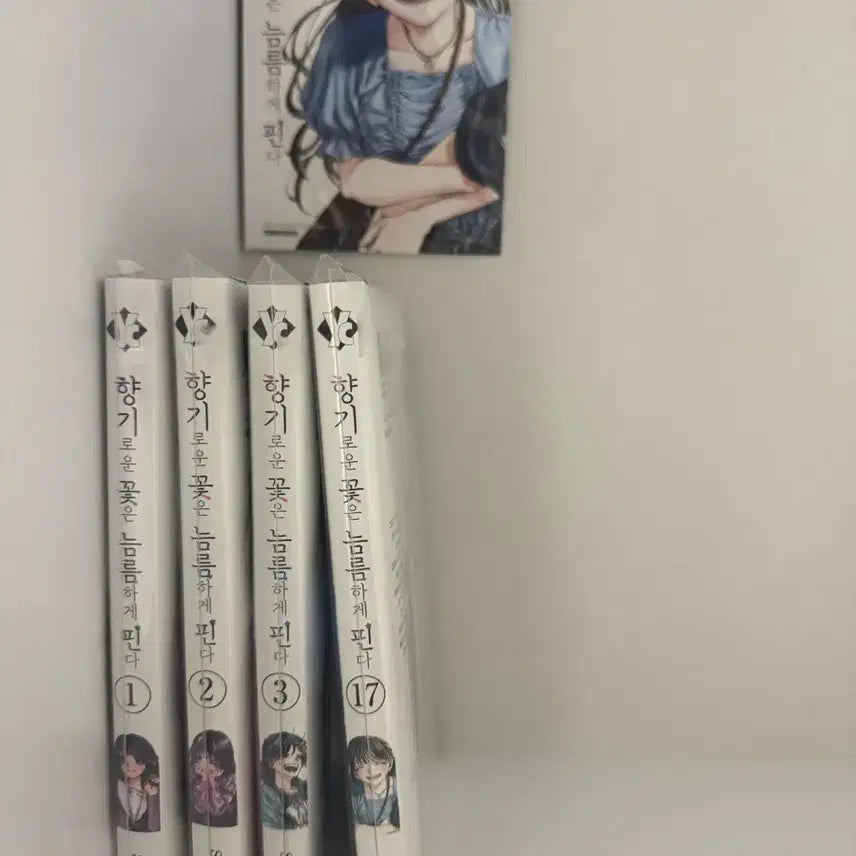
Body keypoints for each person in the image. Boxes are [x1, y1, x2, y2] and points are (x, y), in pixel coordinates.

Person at [285, 0, 511, 254]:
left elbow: (522, 173)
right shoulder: (350, 43)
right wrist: (474, 179)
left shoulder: (508, 42)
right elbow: (354, 180)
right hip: (373, 231)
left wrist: (424, 217)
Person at [347, 735, 399, 830]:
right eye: (362, 765)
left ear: (390, 763)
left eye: (377, 762)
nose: (371, 771)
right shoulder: (353, 793)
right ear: (355, 772)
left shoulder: (398, 787)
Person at [259, 732, 309, 830]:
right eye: (288, 755)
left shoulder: (307, 789)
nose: (295, 761)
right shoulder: (264, 795)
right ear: (271, 761)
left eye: (299, 757)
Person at [188, 730, 238, 828]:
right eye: (199, 758)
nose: (203, 764)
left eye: (211, 760)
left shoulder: (231, 787)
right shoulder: (192, 782)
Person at [113, 733, 161, 833]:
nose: (130, 767)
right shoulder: (118, 786)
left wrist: (153, 795)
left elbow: (155, 825)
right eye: (125, 762)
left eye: (139, 761)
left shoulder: (151, 787)